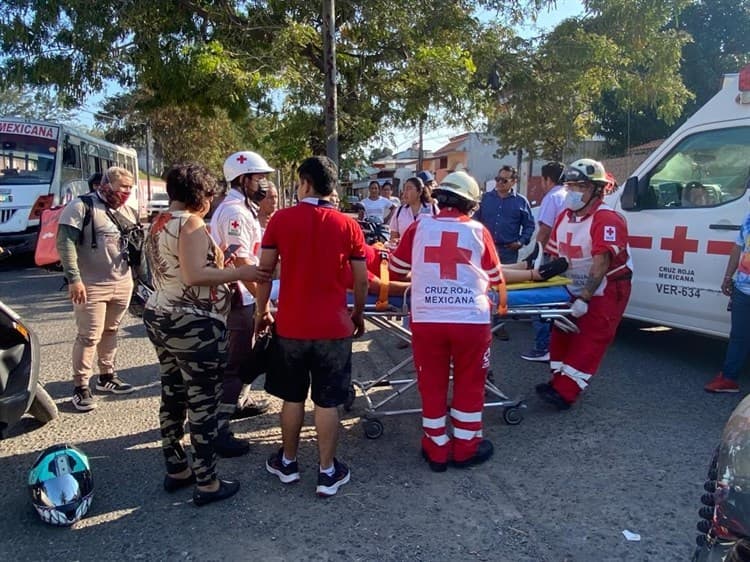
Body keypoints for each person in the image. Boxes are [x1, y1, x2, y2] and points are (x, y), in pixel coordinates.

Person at [143, 163, 269, 506]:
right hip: (192, 322)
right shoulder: (192, 223)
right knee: (203, 401)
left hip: (160, 314)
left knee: (172, 394)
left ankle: (177, 467)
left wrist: (218, 263)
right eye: (209, 194)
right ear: (201, 195)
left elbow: (178, 269)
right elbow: (196, 274)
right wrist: (239, 271)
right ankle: (208, 480)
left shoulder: (158, 221)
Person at [255, 156, 368, 498]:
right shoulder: (348, 225)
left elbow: (264, 273)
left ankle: (287, 463)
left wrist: (262, 312)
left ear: (304, 182)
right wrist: (358, 314)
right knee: (327, 401)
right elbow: (361, 279)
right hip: (333, 328)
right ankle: (327, 471)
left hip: (290, 325)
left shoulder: (281, 221)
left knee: (292, 398)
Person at [389, 171, 503, 472]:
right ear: (470, 204)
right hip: (471, 322)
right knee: (470, 383)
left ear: (440, 198)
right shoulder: (479, 231)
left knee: (432, 384)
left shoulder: (418, 227)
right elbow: (495, 278)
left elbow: (397, 269)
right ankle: (466, 448)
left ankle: (436, 448)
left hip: (428, 319)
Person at [535, 158, 632, 410]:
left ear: (597, 190)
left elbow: (601, 263)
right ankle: (558, 381)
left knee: (590, 338)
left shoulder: (607, 219)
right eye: (570, 187)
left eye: (580, 187)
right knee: (561, 333)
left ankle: (566, 391)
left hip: (606, 288)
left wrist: (585, 298)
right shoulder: (565, 217)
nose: (573, 192)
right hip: (572, 285)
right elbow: (556, 258)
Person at [57, 166, 139, 412]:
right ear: (105, 184)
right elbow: (65, 244)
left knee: (111, 330)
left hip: (122, 281)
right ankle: (81, 387)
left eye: (129, 188)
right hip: (91, 284)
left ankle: (107, 376)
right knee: (89, 335)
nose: (125, 192)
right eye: (121, 187)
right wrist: (74, 279)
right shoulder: (81, 208)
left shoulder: (128, 211)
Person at [209, 150, 272, 457]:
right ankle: (219, 428)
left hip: (244, 295)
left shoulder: (242, 209)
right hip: (237, 296)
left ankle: (239, 403)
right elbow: (243, 262)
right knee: (236, 363)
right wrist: (263, 305)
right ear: (243, 179)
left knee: (247, 357)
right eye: (258, 178)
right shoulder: (235, 212)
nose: (262, 184)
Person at [521, 161, 567, 362]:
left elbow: (545, 230)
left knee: (540, 301)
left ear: (547, 179)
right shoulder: (569, 195)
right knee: (559, 302)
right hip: (567, 256)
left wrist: (534, 256)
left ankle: (542, 348)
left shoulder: (552, 197)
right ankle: (558, 347)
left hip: (550, 256)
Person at [704, 204, 750, 393]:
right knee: (738, 336)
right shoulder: (749, 216)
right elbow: (738, 247)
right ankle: (729, 378)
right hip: (743, 287)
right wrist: (727, 277)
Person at [473, 165, 535, 265]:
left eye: (504, 180)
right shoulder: (484, 199)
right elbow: (474, 221)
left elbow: (529, 226)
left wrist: (520, 242)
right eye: (498, 179)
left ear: (514, 182)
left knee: (507, 279)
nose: (500, 183)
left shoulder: (521, 202)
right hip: (485, 248)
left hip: (508, 252)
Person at [388, 176, 439, 243]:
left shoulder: (432, 208)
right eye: (404, 189)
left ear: (420, 192)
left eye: (409, 189)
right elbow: (393, 238)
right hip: (405, 252)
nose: (405, 192)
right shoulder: (400, 211)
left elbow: (438, 234)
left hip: (424, 251)